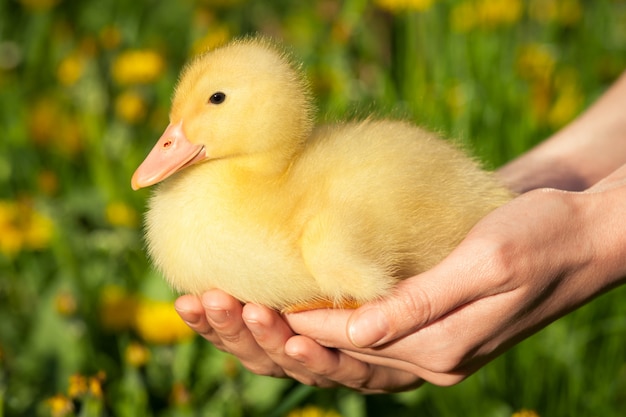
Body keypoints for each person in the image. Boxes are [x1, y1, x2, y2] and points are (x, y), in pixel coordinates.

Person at [174, 71, 626, 394]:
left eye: (215, 100)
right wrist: (556, 189)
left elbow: (359, 269)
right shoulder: (290, 181)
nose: (174, 138)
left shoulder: (324, 233)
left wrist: (597, 233)